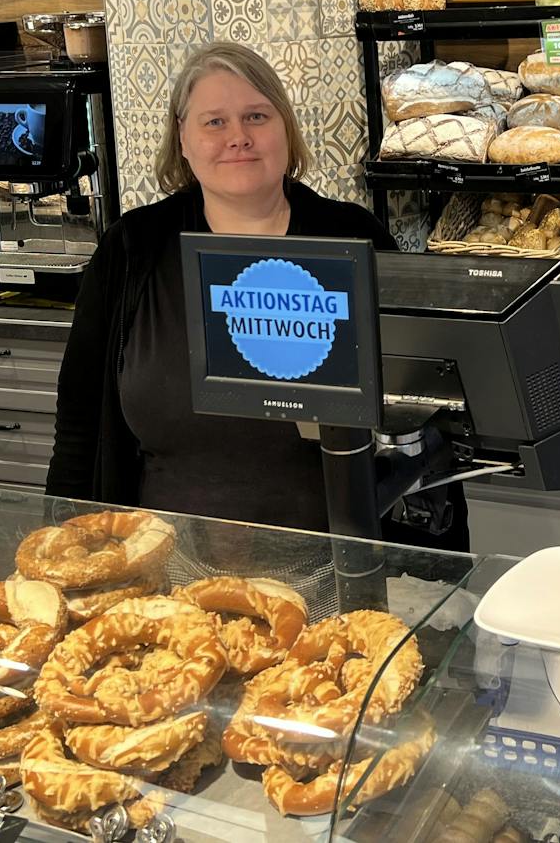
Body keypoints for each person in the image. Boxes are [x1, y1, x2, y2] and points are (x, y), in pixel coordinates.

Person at [47, 41, 396, 532]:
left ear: (286, 131)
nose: (238, 137)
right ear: (183, 140)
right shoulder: (132, 249)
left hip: (339, 570)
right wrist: (67, 538)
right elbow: (81, 423)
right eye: (214, 122)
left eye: (257, 116)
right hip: (166, 571)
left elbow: (420, 411)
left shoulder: (354, 239)